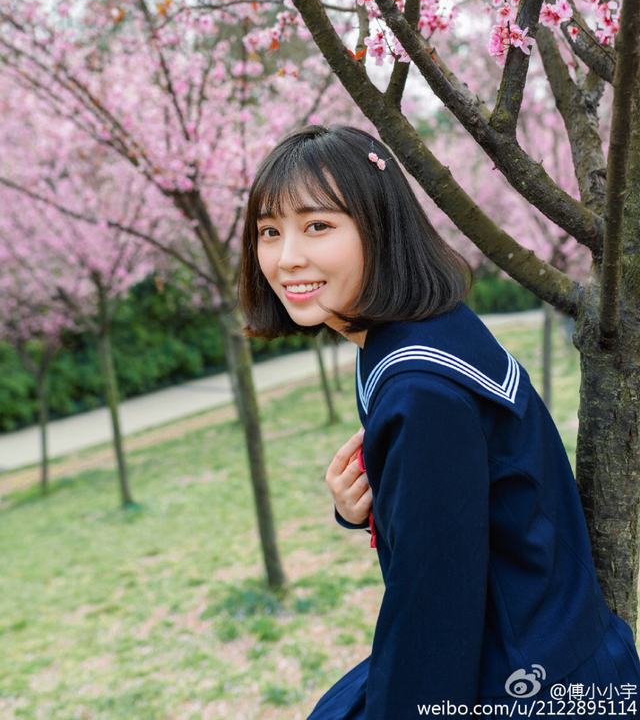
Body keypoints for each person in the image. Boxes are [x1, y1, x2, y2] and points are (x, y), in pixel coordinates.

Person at [238, 124, 640, 716]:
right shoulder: (422, 327)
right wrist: (371, 505)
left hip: (531, 682)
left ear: (379, 226)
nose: (286, 257)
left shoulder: (420, 389)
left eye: (317, 225)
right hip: (546, 642)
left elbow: (434, 614)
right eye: (269, 232)